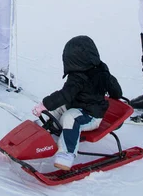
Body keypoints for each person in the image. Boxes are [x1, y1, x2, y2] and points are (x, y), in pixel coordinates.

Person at [31, 35, 122, 170]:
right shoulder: (93, 71)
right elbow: (66, 97)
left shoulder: (81, 77)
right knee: (58, 109)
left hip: (92, 116)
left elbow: (65, 94)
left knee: (70, 117)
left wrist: (45, 104)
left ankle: (66, 155)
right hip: (77, 106)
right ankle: (39, 132)